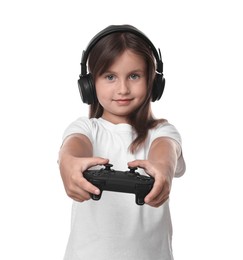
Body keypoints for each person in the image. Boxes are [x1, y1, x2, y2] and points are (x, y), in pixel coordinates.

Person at [58, 24, 186, 260]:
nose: (123, 89)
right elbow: (73, 146)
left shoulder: (162, 132)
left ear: (153, 82)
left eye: (134, 76)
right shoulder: (86, 129)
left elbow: (166, 152)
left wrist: (164, 168)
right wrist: (68, 162)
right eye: (110, 77)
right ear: (88, 84)